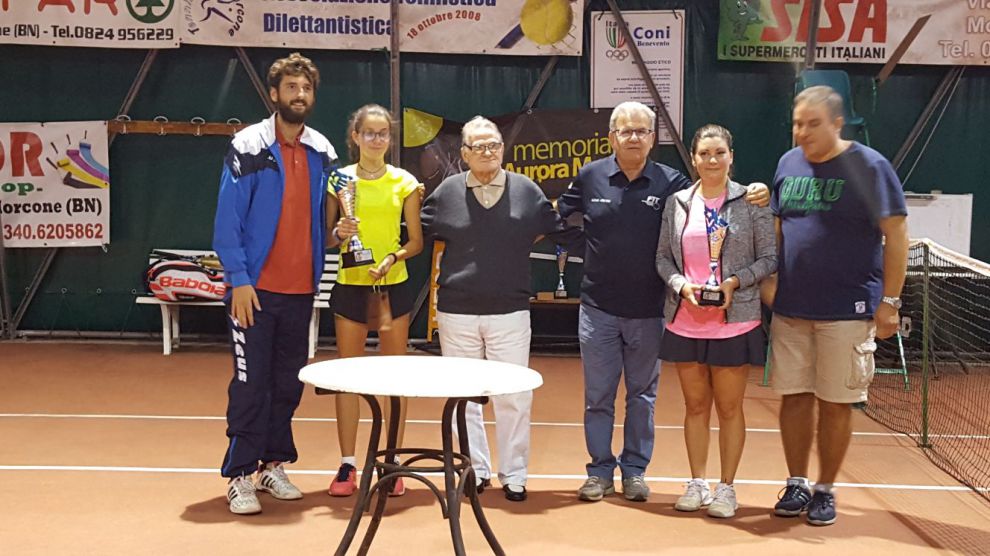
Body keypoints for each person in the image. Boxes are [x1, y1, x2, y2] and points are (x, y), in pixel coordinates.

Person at [556, 101, 769, 503]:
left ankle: (635, 471)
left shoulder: (672, 185)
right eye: (626, 131)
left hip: (652, 311)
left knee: (642, 396)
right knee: (598, 396)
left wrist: (758, 191)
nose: (633, 137)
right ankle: (600, 471)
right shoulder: (590, 177)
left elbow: (713, 208)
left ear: (654, 138)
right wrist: (580, 245)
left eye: (642, 131)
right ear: (611, 137)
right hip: (597, 309)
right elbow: (558, 217)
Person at [769, 85, 908, 526]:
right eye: (797, 123)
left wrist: (888, 302)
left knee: (835, 403)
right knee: (793, 398)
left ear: (836, 123)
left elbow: (897, 235)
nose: (803, 132)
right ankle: (796, 481)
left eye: (812, 124)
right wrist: (771, 280)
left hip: (847, 311)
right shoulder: (787, 164)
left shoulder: (870, 167)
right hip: (791, 309)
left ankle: (825, 490)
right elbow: (778, 226)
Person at [420, 116, 577, 502]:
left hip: (510, 310)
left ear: (502, 150)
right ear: (464, 153)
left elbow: (555, 226)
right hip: (457, 310)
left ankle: (515, 474)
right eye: (479, 146)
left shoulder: (527, 190)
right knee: (464, 396)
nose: (488, 152)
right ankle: (474, 469)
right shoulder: (445, 192)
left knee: (514, 395)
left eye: (494, 145)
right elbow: (415, 230)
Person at [213, 53, 337, 515]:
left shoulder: (323, 151)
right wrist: (239, 281)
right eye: (290, 88)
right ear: (274, 94)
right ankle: (240, 474)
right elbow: (227, 222)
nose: (299, 95)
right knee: (251, 383)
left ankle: (273, 463)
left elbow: (319, 220)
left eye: (305, 89)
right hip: (255, 292)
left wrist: (337, 234)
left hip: (301, 290)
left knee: (287, 384)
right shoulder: (248, 145)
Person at [656, 124, 777, 518]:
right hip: (685, 319)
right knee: (694, 406)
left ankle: (726, 488)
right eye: (704, 153)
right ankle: (697, 483)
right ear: (693, 158)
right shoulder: (677, 203)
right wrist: (681, 285)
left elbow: (770, 259)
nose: (712, 159)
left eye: (719, 152)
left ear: (731, 157)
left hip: (735, 320)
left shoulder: (752, 202)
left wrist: (735, 282)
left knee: (729, 408)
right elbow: (663, 258)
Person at [326, 104, 423, 498]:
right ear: (356, 137)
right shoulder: (337, 180)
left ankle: (391, 461)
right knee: (347, 379)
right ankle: (347, 465)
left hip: (392, 287)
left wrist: (391, 258)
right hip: (350, 285)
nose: (377, 139)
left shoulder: (405, 182)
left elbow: (415, 241)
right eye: (369, 133)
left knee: (393, 378)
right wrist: (338, 230)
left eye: (383, 133)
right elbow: (327, 238)